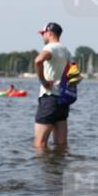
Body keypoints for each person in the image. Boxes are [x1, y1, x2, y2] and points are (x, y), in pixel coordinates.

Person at [33, 21, 72, 149]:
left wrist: (43, 81)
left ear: (49, 33)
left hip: (49, 98)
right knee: (61, 145)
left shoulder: (50, 48)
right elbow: (75, 75)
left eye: (42, 34)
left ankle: (44, 169)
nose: (42, 36)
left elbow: (38, 60)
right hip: (63, 100)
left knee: (39, 144)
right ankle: (57, 168)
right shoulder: (66, 51)